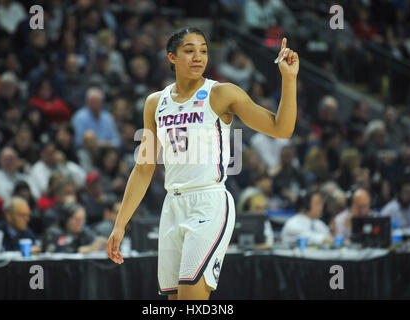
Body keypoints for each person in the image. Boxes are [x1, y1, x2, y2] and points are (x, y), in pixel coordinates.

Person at [107, 28, 298, 300]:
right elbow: (144, 167)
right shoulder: (154, 103)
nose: (198, 57)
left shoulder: (221, 93)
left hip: (208, 202)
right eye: (189, 50)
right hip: (172, 206)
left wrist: (289, 81)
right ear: (172, 57)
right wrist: (120, 224)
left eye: (204, 51)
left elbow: (282, 129)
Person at [42, 202, 106, 253]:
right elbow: (61, 250)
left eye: (83, 219)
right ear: (66, 220)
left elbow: (96, 242)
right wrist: (88, 249)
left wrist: (101, 243)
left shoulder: (84, 233)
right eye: (77, 220)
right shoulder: (54, 233)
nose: (81, 223)